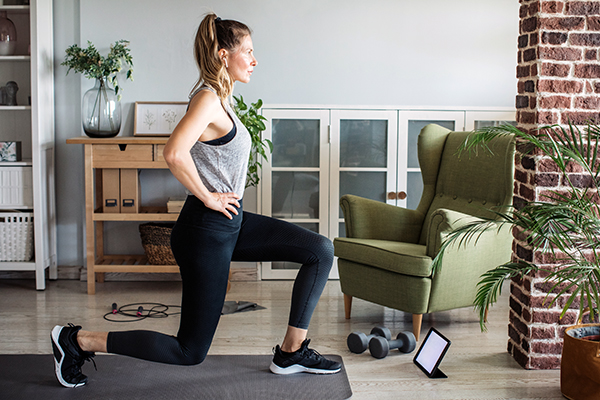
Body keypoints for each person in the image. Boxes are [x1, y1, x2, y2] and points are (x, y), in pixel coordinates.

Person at [51, 13, 341, 388]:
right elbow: (174, 152)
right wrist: (208, 196)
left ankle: (291, 352)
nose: (255, 60)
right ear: (223, 55)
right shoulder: (207, 98)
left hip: (228, 223)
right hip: (205, 231)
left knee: (319, 249)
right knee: (189, 351)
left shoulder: (222, 97)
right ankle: (75, 341)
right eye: (248, 52)